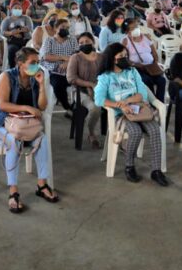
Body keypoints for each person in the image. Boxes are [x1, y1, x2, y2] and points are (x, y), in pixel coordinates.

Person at [0, 47, 58, 213]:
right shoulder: (6, 77)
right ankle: (13, 191)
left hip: (23, 125)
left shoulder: (35, 78)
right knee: (14, 143)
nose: (37, 66)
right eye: (33, 63)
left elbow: (42, 106)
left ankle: (42, 184)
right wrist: (26, 107)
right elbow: (3, 105)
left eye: (38, 63)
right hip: (0, 124)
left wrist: (41, 86)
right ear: (20, 63)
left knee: (42, 140)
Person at [94, 43, 168, 186]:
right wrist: (120, 106)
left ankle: (156, 170)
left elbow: (142, 93)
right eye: (120, 56)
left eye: (126, 56)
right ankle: (129, 166)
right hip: (120, 114)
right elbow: (99, 100)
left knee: (155, 130)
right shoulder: (105, 77)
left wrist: (126, 101)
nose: (124, 59)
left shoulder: (132, 72)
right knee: (135, 132)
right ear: (112, 59)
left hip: (139, 109)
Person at [67, 32, 103, 149]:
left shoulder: (101, 57)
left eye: (87, 41)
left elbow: (107, 74)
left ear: (93, 42)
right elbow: (71, 78)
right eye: (81, 43)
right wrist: (89, 85)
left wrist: (98, 87)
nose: (84, 44)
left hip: (101, 89)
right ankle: (91, 133)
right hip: (80, 91)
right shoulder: (75, 58)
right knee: (95, 108)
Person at [121, 18, 166, 102]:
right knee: (146, 80)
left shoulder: (146, 37)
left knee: (162, 80)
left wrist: (155, 63)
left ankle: (160, 102)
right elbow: (124, 59)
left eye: (136, 26)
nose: (136, 29)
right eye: (132, 28)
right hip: (137, 69)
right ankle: (152, 102)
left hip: (151, 67)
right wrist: (136, 65)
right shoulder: (125, 41)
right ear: (127, 31)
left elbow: (155, 53)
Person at [39, 18, 78, 111]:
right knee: (57, 85)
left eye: (67, 27)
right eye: (63, 27)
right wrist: (63, 57)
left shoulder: (72, 39)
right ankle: (68, 107)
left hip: (70, 69)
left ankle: (78, 107)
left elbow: (77, 55)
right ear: (56, 28)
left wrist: (68, 62)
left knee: (80, 82)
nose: (65, 29)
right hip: (54, 70)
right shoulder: (49, 40)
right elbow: (46, 56)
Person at [0, 2, 34, 68]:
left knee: (28, 50)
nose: (18, 10)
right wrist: (11, 33)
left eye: (19, 8)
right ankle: (12, 68)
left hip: (26, 40)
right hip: (13, 41)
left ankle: (28, 68)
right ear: (11, 9)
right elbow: (2, 32)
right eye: (15, 8)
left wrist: (18, 31)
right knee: (12, 49)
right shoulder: (7, 20)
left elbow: (29, 28)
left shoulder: (26, 18)